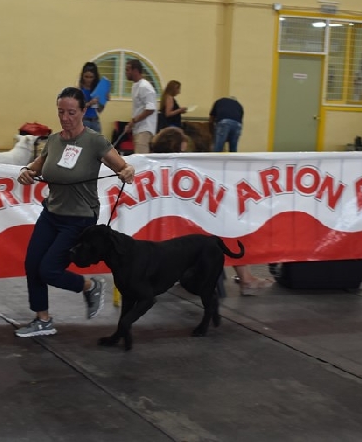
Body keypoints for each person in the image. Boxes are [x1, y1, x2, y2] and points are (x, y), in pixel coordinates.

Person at [15, 87, 135, 337]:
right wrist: (26, 172)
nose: (65, 117)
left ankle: (89, 286)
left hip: (79, 218)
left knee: (49, 270)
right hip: (51, 213)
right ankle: (43, 320)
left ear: (83, 111)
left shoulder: (94, 141)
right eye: (61, 112)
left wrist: (127, 172)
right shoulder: (53, 141)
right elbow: (36, 167)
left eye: (71, 112)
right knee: (32, 264)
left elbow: (124, 167)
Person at [150, 125, 269, 296]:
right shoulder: (186, 167)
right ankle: (246, 279)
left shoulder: (153, 167)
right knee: (230, 227)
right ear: (179, 146)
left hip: (170, 228)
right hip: (192, 225)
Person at [124, 59, 157, 154]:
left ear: (135, 71)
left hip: (145, 129)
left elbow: (150, 109)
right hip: (138, 129)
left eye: (128, 70)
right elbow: (138, 109)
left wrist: (134, 121)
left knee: (141, 158)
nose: (126, 73)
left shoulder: (145, 86)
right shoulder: (135, 86)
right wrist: (132, 123)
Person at [78, 62, 108, 133]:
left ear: (95, 77)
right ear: (82, 76)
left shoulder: (96, 90)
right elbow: (77, 108)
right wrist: (90, 103)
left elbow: (99, 110)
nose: (88, 80)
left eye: (91, 77)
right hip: (83, 121)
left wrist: (104, 100)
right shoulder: (79, 90)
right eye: (86, 77)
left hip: (95, 121)